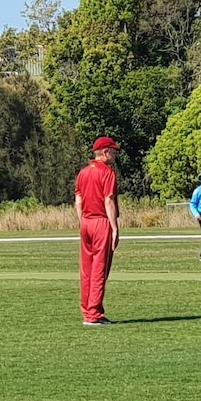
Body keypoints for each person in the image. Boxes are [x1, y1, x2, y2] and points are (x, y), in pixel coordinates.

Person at [75, 136, 121, 326]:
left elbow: (78, 200)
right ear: (105, 152)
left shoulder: (83, 173)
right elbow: (108, 200)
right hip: (101, 222)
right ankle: (94, 313)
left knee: (86, 269)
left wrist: (82, 221)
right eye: (114, 151)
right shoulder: (107, 173)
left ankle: (87, 309)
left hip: (86, 221)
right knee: (99, 268)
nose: (115, 155)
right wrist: (115, 227)